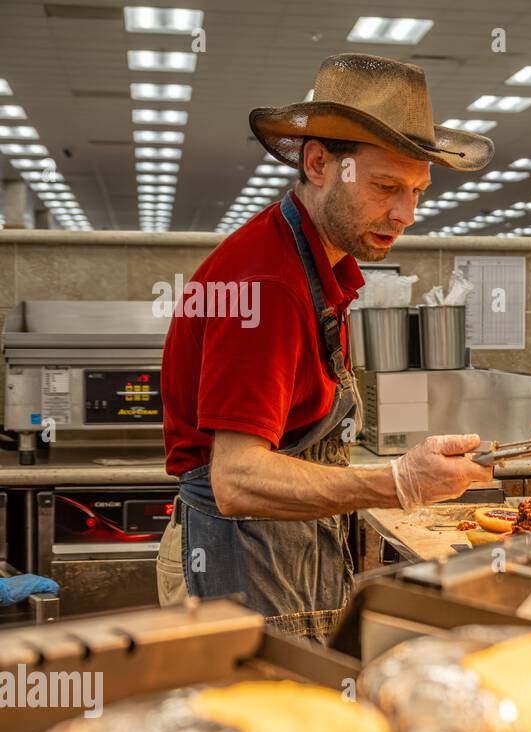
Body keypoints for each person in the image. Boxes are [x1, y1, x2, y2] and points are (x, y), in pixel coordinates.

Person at [157, 54, 495, 641]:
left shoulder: (314, 265)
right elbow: (236, 480)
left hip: (282, 555)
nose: (405, 214)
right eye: (386, 187)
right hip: (235, 564)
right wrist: (397, 484)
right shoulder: (266, 283)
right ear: (318, 163)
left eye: (417, 191)